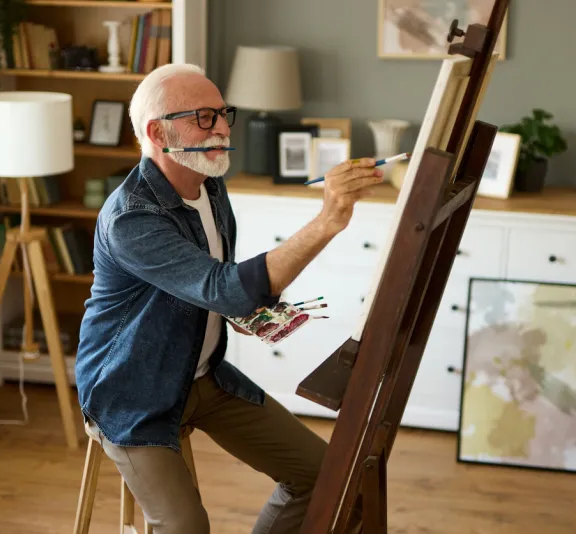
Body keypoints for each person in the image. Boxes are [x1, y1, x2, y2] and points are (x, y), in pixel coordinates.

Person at [75, 63, 382, 534]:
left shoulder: (208, 186)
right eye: (204, 117)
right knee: (186, 528)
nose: (221, 127)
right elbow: (223, 288)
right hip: (133, 389)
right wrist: (329, 220)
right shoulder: (131, 219)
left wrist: (247, 308)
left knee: (326, 475)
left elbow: (211, 289)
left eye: (223, 113)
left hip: (202, 375)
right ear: (158, 132)